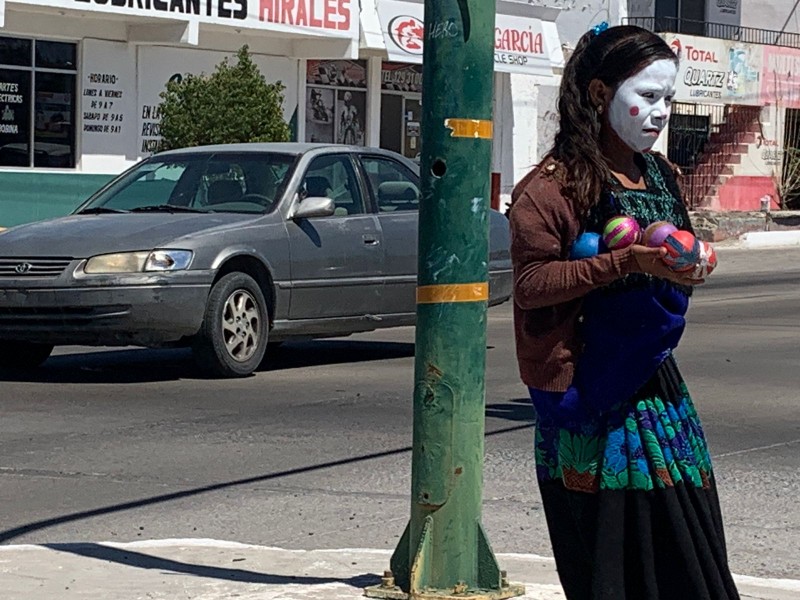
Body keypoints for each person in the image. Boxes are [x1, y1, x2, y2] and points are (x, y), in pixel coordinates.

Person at [508, 24, 740, 600]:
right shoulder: (551, 189)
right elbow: (532, 286)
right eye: (648, 96)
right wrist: (625, 264)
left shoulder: (660, 174)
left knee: (685, 539)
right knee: (613, 551)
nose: (661, 113)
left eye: (669, 99)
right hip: (588, 394)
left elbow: (673, 251)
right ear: (597, 94)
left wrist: (688, 265)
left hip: (654, 381)